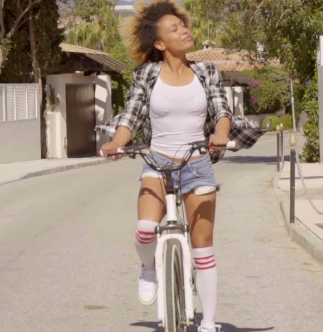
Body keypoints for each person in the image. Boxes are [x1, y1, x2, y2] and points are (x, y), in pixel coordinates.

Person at [98, 1, 264, 331]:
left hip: (198, 162)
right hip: (157, 162)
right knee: (146, 230)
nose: (183, 30)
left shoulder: (206, 71)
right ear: (159, 43)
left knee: (203, 248)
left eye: (183, 25)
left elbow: (221, 111)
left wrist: (220, 134)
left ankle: (209, 324)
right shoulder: (146, 74)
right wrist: (117, 143)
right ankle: (148, 269)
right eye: (174, 29)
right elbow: (132, 115)